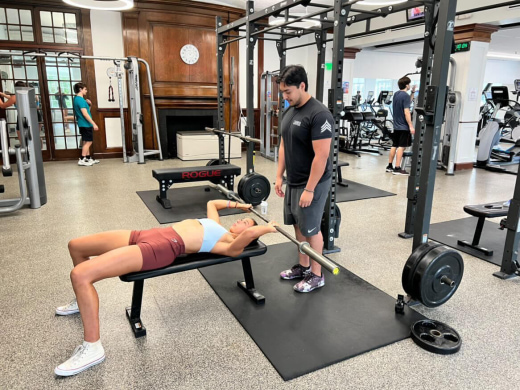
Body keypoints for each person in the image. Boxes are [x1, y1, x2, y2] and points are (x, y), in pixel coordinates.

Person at [54, 199, 278, 377]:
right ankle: (81, 301)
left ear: (248, 236)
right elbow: (213, 204)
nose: (241, 222)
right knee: (76, 245)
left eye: (246, 224)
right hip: (150, 233)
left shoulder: (227, 244)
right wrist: (241, 206)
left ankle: (93, 348)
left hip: (161, 248)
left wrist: (266, 228)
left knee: (80, 275)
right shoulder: (216, 224)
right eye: (243, 220)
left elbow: (246, 238)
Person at [274, 65, 333, 293]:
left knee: (311, 228)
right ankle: (303, 265)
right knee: (298, 223)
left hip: (313, 182)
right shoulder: (289, 110)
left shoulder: (319, 114)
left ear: (302, 86)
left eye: (288, 92)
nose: (285, 97)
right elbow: (283, 144)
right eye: (282, 93)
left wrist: (309, 189)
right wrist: (279, 176)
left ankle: (317, 275)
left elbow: (322, 156)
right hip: (294, 179)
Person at [386, 76, 415, 175]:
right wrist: (410, 126)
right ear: (407, 85)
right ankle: (397, 168)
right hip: (404, 127)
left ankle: (389, 166)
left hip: (396, 126)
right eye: (409, 84)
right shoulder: (405, 96)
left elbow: (407, 102)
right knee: (402, 147)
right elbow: (407, 112)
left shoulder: (396, 94)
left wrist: (413, 93)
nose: (410, 85)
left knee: (394, 145)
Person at [73, 82, 99, 167]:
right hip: (85, 124)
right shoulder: (80, 100)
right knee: (88, 142)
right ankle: (82, 159)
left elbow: (87, 111)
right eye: (85, 89)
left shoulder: (78, 99)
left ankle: (87, 158)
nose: (86, 91)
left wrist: (90, 105)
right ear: (80, 89)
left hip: (83, 124)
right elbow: (85, 114)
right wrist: (94, 124)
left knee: (86, 141)